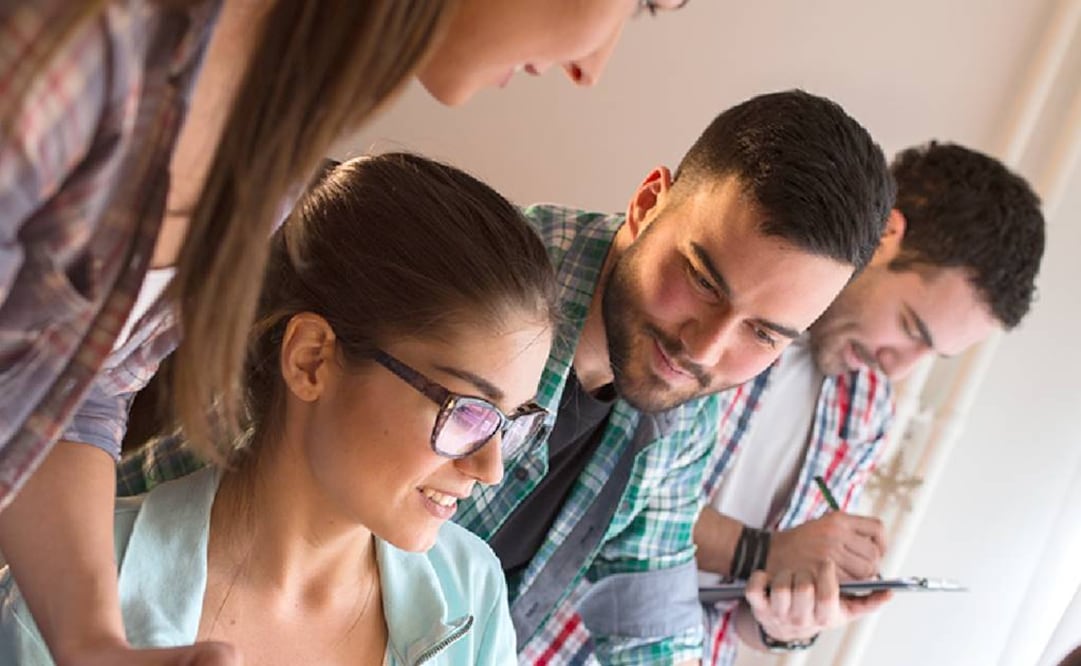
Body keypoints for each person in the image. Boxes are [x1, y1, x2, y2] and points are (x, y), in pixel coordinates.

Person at [0, 1, 687, 664]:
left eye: (508, 423)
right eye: (644, 4)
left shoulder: (269, 163)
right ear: (311, 360)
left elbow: (76, 385)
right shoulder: (93, 42)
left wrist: (92, 646)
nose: (593, 67)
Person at [120, 88, 896, 663]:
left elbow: (647, 624)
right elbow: (220, 472)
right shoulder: (482, 286)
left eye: (761, 333)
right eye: (699, 279)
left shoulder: (681, 408)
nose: (707, 345)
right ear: (646, 203)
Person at [1, 153, 559, 664]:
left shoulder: (472, 590)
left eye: (510, 424)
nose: (490, 469)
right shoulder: (63, 591)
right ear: (312, 359)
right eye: (466, 412)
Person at [693, 141, 1046, 664]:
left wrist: (790, 620)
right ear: (885, 236)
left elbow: (743, 620)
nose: (899, 367)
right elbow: (602, 494)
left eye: (931, 353)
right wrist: (765, 552)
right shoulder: (725, 293)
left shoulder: (866, 408)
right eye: (909, 328)